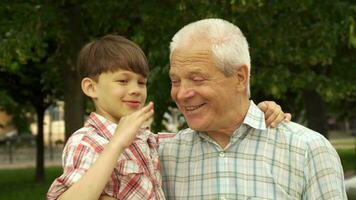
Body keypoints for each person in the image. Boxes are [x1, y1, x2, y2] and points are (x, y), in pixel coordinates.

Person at [47, 34, 288, 200]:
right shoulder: (86, 141)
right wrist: (116, 144)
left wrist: (258, 111)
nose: (135, 90)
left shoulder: (148, 140)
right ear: (91, 88)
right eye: (122, 81)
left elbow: (206, 131)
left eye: (141, 82)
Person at [159, 18, 347, 199]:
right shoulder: (164, 156)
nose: (181, 93)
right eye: (175, 81)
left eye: (197, 79)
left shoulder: (307, 150)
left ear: (240, 77)